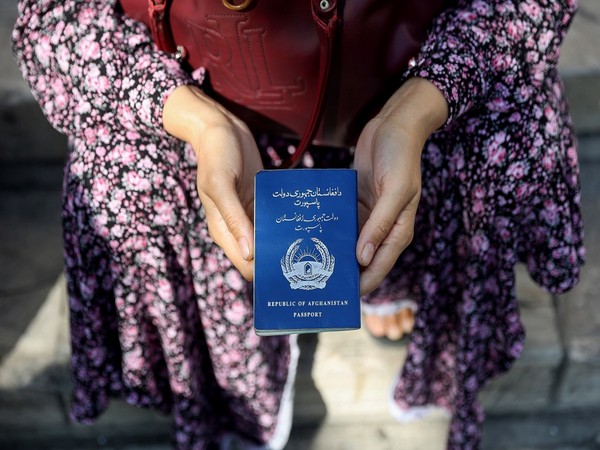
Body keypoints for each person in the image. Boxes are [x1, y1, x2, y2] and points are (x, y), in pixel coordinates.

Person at [12, 0, 584, 449]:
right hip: (204, 89)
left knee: (496, 141)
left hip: (403, 76)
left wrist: (418, 108)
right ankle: (237, 358)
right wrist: (199, 122)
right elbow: (54, 21)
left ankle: (394, 279)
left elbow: (528, 6)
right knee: (124, 176)